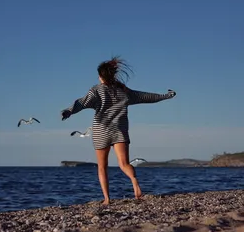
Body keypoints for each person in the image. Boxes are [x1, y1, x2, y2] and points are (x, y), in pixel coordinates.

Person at [61, 56, 176, 205]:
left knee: (102, 167)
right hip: (119, 131)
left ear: (101, 76)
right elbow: (145, 97)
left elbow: (81, 103)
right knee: (124, 164)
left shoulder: (96, 90)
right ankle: (135, 182)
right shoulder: (123, 90)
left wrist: (69, 111)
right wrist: (166, 96)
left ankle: (107, 199)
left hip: (101, 131)